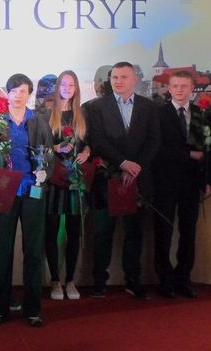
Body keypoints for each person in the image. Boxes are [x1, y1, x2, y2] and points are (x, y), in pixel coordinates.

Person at [88, 61, 160, 299]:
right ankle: (99, 282)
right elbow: (97, 141)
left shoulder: (149, 107)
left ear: (134, 79)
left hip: (138, 180)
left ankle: (133, 280)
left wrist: (134, 166)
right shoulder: (97, 107)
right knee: (103, 233)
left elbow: (154, 141)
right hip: (107, 179)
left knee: (134, 234)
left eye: (123, 77)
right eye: (114, 77)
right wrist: (123, 163)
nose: (118, 81)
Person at [0, 73, 53, 327]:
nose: (17, 95)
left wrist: (45, 172)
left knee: (33, 251)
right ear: (7, 93)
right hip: (4, 191)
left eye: (23, 91)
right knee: (2, 250)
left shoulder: (38, 121)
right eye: (13, 91)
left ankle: (33, 310)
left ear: (29, 94)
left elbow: (49, 154)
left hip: (32, 190)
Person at [153, 71, 209, 298]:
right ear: (169, 88)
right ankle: (165, 280)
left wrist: (207, 180)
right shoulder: (158, 114)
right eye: (175, 86)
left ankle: (183, 279)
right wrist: (189, 155)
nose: (179, 90)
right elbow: (157, 149)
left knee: (188, 233)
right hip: (164, 183)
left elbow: (206, 149)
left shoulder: (200, 114)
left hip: (191, 183)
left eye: (184, 86)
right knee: (163, 232)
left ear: (192, 88)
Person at [45, 70, 90, 301]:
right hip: (54, 179)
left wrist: (86, 153)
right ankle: (55, 280)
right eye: (63, 84)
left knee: (73, 232)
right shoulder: (47, 114)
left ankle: (70, 280)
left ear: (76, 88)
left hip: (75, 180)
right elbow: (39, 146)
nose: (67, 88)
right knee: (51, 231)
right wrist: (56, 148)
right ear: (57, 87)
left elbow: (89, 143)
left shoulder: (82, 114)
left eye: (71, 85)